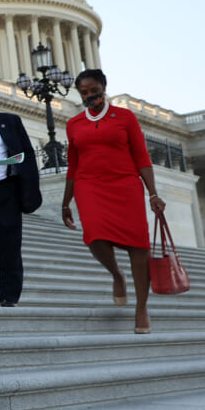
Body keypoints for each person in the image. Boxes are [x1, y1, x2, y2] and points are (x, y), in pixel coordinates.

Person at [60, 68, 165, 334]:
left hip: (124, 185)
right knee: (94, 237)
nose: (89, 96)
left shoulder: (125, 117)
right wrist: (66, 202)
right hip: (88, 185)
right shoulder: (74, 124)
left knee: (138, 247)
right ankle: (117, 275)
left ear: (104, 88)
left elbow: (142, 157)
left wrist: (153, 193)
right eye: (84, 92)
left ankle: (141, 308)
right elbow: (73, 166)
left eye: (94, 90)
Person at [0, 80, 42, 306]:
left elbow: (27, 155)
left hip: (4, 190)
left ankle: (9, 296)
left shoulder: (9, 122)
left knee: (9, 247)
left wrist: (30, 192)